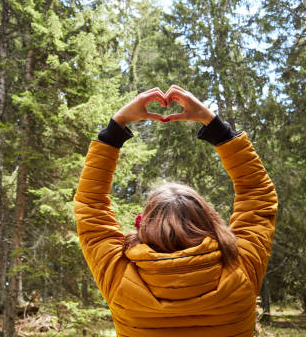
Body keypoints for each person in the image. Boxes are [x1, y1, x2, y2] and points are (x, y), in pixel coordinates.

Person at [74, 85, 278, 337]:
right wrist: (213, 124)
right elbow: (258, 195)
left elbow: (89, 206)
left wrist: (116, 127)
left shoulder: (120, 277)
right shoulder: (239, 268)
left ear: (145, 224)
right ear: (208, 220)